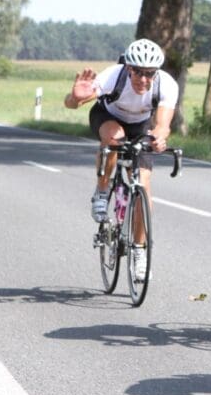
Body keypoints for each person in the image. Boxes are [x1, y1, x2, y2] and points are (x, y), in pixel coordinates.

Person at [64, 38, 179, 280]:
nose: (144, 79)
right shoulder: (112, 76)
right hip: (108, 116)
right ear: (128, 67)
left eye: (150, 73)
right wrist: (74, 98)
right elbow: (74, 103)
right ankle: (102, 191)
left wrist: (159, 137)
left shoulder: (166, 85)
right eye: (138, 72)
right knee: (115, 137)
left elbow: (162, 125)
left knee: (143, 186)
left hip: (141, 125)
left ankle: (139, 249)